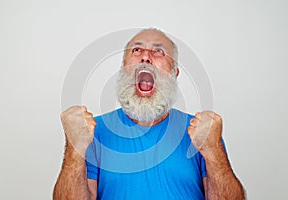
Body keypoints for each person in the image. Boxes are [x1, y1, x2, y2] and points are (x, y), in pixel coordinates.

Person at [53, 28, 245, 200]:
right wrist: (74, 147)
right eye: (136, 50)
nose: (145, 57)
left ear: (174, 73)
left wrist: (214, 150)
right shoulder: (94, 132)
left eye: (158, 51)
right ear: (123, 69)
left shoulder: (201, 132)